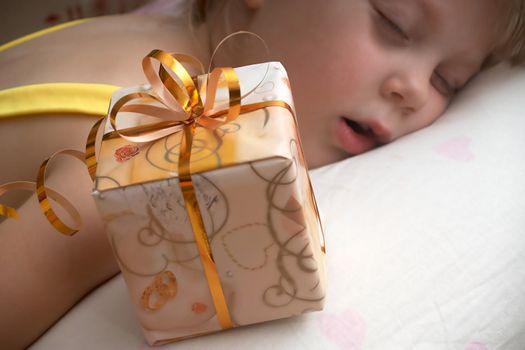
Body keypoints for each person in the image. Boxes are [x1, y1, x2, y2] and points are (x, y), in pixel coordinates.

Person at [0, 0, 523, 348]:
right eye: (394, 22)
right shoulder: (142, 149)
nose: (414, 88)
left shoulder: (152, 30)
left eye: (447, 80)